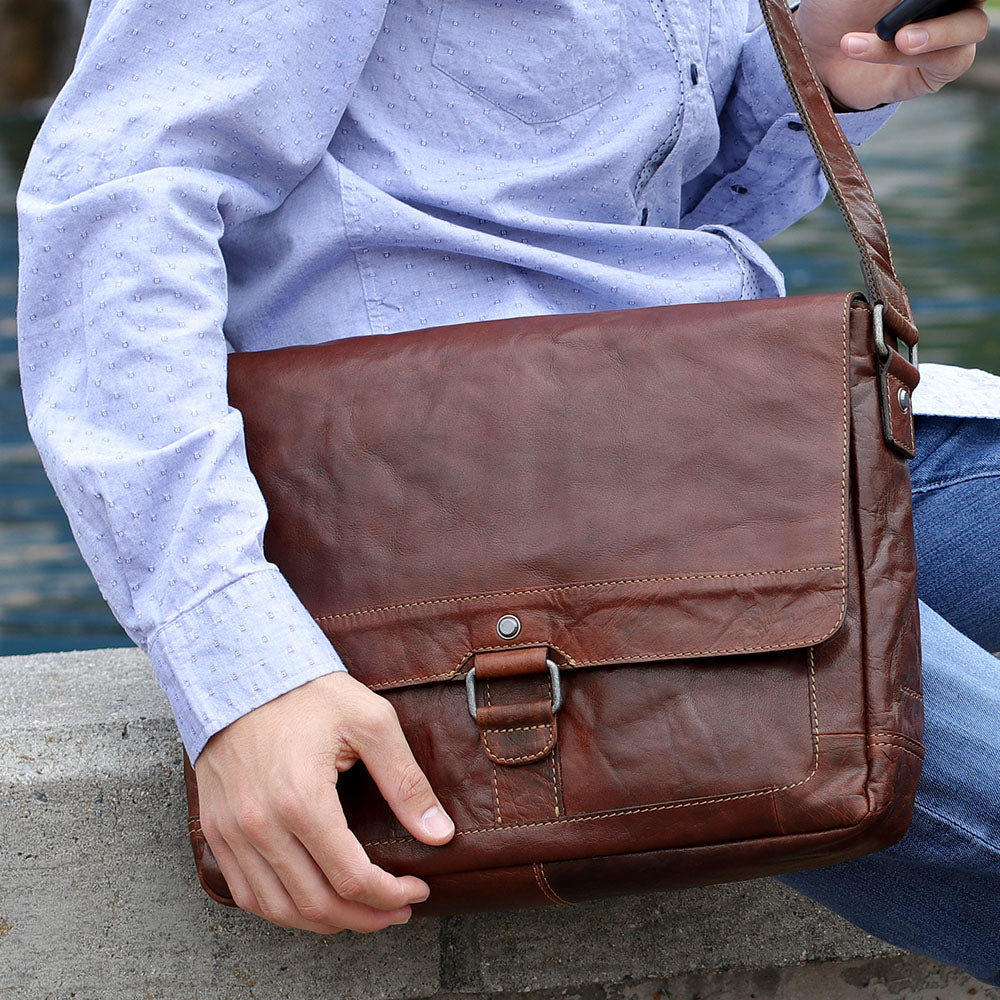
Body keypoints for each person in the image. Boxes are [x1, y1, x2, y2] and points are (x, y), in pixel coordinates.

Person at [16, 0, 1000, 980]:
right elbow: (122, 203)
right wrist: (238, 667)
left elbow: (623, 211)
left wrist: (817, 76)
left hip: (720, 418)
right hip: (456, 494)